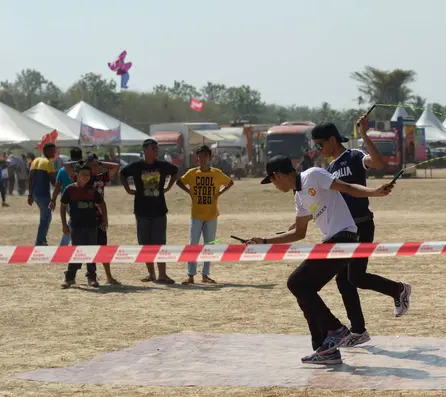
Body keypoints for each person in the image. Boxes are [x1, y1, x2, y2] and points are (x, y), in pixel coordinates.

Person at [248, 155, 394, 365]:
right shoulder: (299, 196)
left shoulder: (314, 175)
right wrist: (264, 241)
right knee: (304, 291)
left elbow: (347, 188)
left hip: (343, 238)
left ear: (277, 175)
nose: (273, 185)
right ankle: (324, 350)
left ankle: (336, 329)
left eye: (271, 180)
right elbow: (299, 233)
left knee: (295, 282)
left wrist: (374, 192)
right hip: (332, 242)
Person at [310, 120, 411, 349]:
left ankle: (399, 289)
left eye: (319, 145)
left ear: (332, 140)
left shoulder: (354, 156)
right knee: (344, 280)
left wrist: (364, 135)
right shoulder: (330, 169)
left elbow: (378, 163)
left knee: (354, 277)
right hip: (343, 231)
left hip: (362, 224)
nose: (319, 150)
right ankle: (358, 331)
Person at [120, 139, 179, 284]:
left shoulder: (162, 165)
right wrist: (128, 189)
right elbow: (122, 173)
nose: (156, 151)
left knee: (160, 243)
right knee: (145, 243)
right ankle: (151, 274)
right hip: (142, 211)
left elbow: (175, 171)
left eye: (156, 148)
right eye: (153, 148)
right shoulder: (137, 166)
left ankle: (162, 275)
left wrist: (168, 187)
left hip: (159, 210)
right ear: (145, 150)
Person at [177, 146, 234, 284]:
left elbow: (230, 182)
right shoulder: (192, 173)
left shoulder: (216, 173)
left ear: (210, 158)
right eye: (199, 157)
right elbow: (179, 182)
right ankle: (190, 275)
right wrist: (189, 192)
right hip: (196, 215)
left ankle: (205, 275)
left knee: (209, 245)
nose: (201, 159)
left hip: (211, 215)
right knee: (193, 244)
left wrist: (219, 193)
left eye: (204, 156)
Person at [60, 162, 107, 289]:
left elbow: (102, 204)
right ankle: (69, 277)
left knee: (91, 251)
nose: (86, 177)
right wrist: (64, 225)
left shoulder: (92, 191)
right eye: (83, 174)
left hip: (92, 225)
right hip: (75, 226)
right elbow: (63, 207)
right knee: (77, 251)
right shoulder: (70, 189)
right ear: (76, 175)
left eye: (88, 174)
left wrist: (104, 220)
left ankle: (91, 277)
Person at [51, 148, 83, 246]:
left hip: (67, 201)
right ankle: (64, 245)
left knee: (74, 221)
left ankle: (69, 243)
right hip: (80, 199)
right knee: (74, 222)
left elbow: (57, 187)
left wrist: (53, 200)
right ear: (81, 156)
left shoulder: (63, 170)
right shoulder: (83, 169)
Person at [28, 143, 57, 246]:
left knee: (44, 217)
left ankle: (40, 240)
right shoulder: (48, 163)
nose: (54, 152)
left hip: (35, 194)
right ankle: (40, 241)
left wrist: (30, 195)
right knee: (46, 218)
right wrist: (61, 188)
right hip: (43, 194)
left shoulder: (35, 161)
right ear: (46, 151)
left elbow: (30, 178)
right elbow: (53, 180)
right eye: (53, 150)